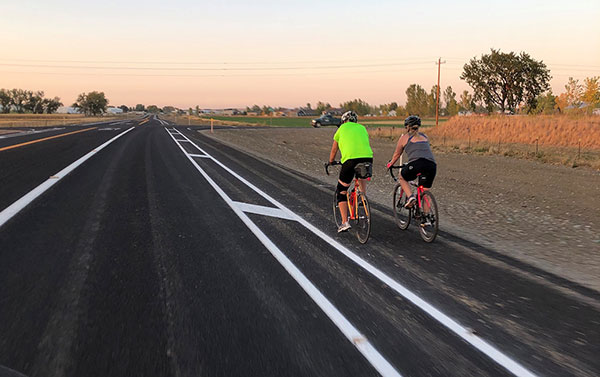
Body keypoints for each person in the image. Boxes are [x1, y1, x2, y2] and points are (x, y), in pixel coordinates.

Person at [328, 110, 373, 233]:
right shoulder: (362, 128)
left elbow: (334, 149)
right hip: (367, 158)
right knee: (360, 176)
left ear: (344, 121)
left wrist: (331, 161)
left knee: (341, 190)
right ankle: (362, 196)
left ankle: (344, 222)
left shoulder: (341, 129)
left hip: (350, 161)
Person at [386, 115, 437, 208]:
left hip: (416, 163)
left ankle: (410, 197)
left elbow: (397, 154)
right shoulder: (424, 136)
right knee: (425, 192)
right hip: (431, 165)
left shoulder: (404, 137)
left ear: (407, 127)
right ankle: (426, 219)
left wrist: (390, 164)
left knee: (402, 177)